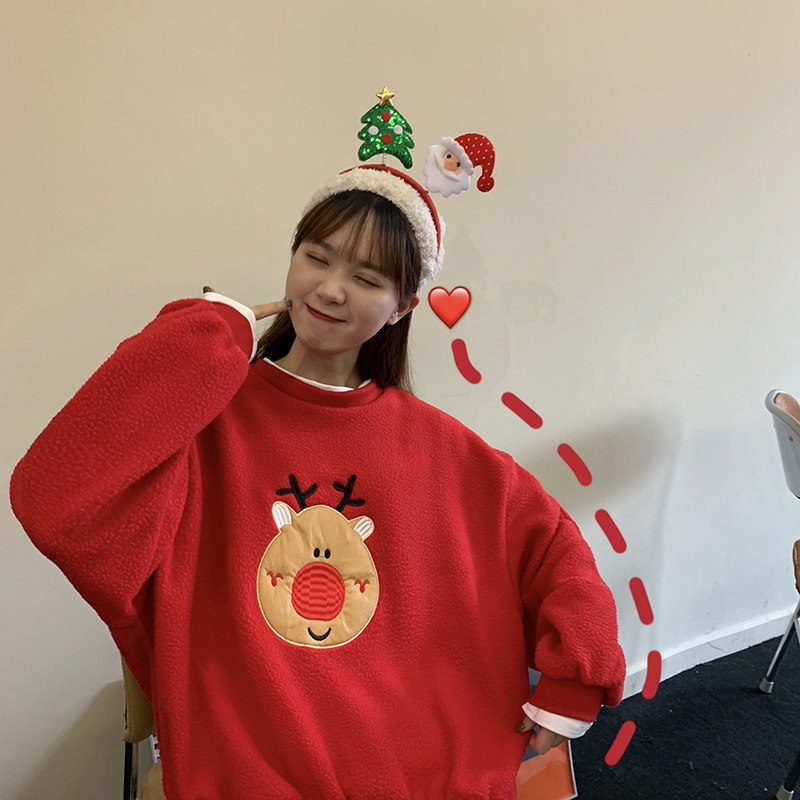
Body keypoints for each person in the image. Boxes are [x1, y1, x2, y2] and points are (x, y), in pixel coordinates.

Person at [10, 164, 626, 800]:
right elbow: (55, 500)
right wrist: (204, 337)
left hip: (419, 764)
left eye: (367, 279)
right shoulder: (203, 425)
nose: (330, 290)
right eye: (316, 257)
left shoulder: (443, 449)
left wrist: (573, 679)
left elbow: (553, 546)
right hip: (248, 762)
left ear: (403, 307)